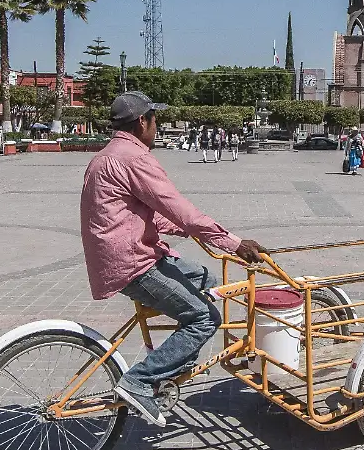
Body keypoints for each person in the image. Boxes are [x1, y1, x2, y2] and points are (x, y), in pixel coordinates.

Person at [80, 91, 265, 426]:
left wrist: (191, 231)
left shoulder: (106, 156)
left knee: (205, 280)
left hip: (123, 253)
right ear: (142, 122)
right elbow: (179, 208)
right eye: (155, 119)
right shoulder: (134, 158)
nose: (157, 126)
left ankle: (171, 370)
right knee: (205, 319)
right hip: (134, 262)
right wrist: (232, 242)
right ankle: (140, 382)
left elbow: (149, 214)